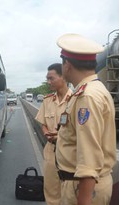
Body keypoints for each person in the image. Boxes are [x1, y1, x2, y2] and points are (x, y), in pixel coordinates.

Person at [55, 33, 117, 205]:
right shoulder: (94, 89)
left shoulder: (87, 96)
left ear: (67, 65)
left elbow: (89, 158)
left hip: (83, 189)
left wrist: (84, 199)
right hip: (83, 186)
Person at [35, 63, 72, 205]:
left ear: (63, 77)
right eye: (47, 79)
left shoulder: (76, 99)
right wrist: (46, 134)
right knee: (51, 192)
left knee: (69, 192)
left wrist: (61, 136)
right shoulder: (47, 100)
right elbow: (43, 122)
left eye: (51, 78)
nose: (48, 82)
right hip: (51, 151)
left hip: (69, 152)